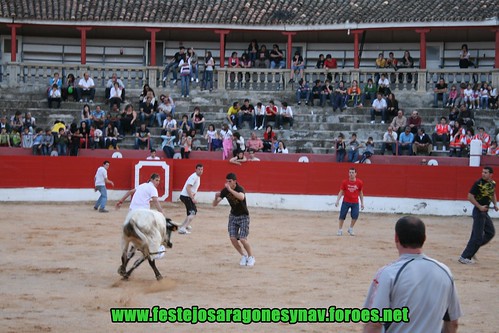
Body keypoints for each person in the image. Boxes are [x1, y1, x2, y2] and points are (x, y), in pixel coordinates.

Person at [363, 216, 462, 333]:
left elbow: (374, 323)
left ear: (396, 238)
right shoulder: (445, 272)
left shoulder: (388, 274)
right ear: (424, 238)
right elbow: (452, 322)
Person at [212, 173, 255, 267]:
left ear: (235, 181)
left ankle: (251, 257)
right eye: (226, 181)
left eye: (229, 181)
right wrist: (216, 197)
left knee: (243, 239)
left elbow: (241, 197)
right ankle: (244, 256)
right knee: (232, 238)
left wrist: (230, 190)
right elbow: (214, 204)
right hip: (233, 216)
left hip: (243, 216)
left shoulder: (239, 188)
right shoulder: (225, 190)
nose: (227, 183)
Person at [459, 167, 498, 264]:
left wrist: (495, 204)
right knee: (477, 236)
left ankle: (473, 249)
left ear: (491, 174)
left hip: (484, 212)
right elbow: (470, 196)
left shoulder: (492, 183)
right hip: (479, 211)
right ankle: (464, 257)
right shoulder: (478, 183)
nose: (483, 174)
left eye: (486, 172)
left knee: (490, 232)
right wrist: (479, 206)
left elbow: (492, 193)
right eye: (483, 172)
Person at [335, 168, 364, 236]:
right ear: (348, 173)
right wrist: (337, 200)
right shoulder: (345, 182)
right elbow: (341, 191)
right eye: (350, 172)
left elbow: (361, 193)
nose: (351, 174)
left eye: (352, 172)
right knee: (342, 216)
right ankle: (340, 230)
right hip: (346, 202)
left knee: (355, 216)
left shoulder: (359, 182)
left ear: (355, 174)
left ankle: (350, 228)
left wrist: (362, 203)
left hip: (355, 202)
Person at [178, 164, 204, 234]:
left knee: (191, 212)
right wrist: (192, 198)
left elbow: (192, 189)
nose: (200, 171)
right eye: (199, 169)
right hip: (187, 196)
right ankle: (183, 228)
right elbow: (188, 187)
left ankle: (183, 226)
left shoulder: (196, 177)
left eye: (201, 169)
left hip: (186, 196)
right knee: (193, 212)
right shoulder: (194, 177)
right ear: (195, 169)